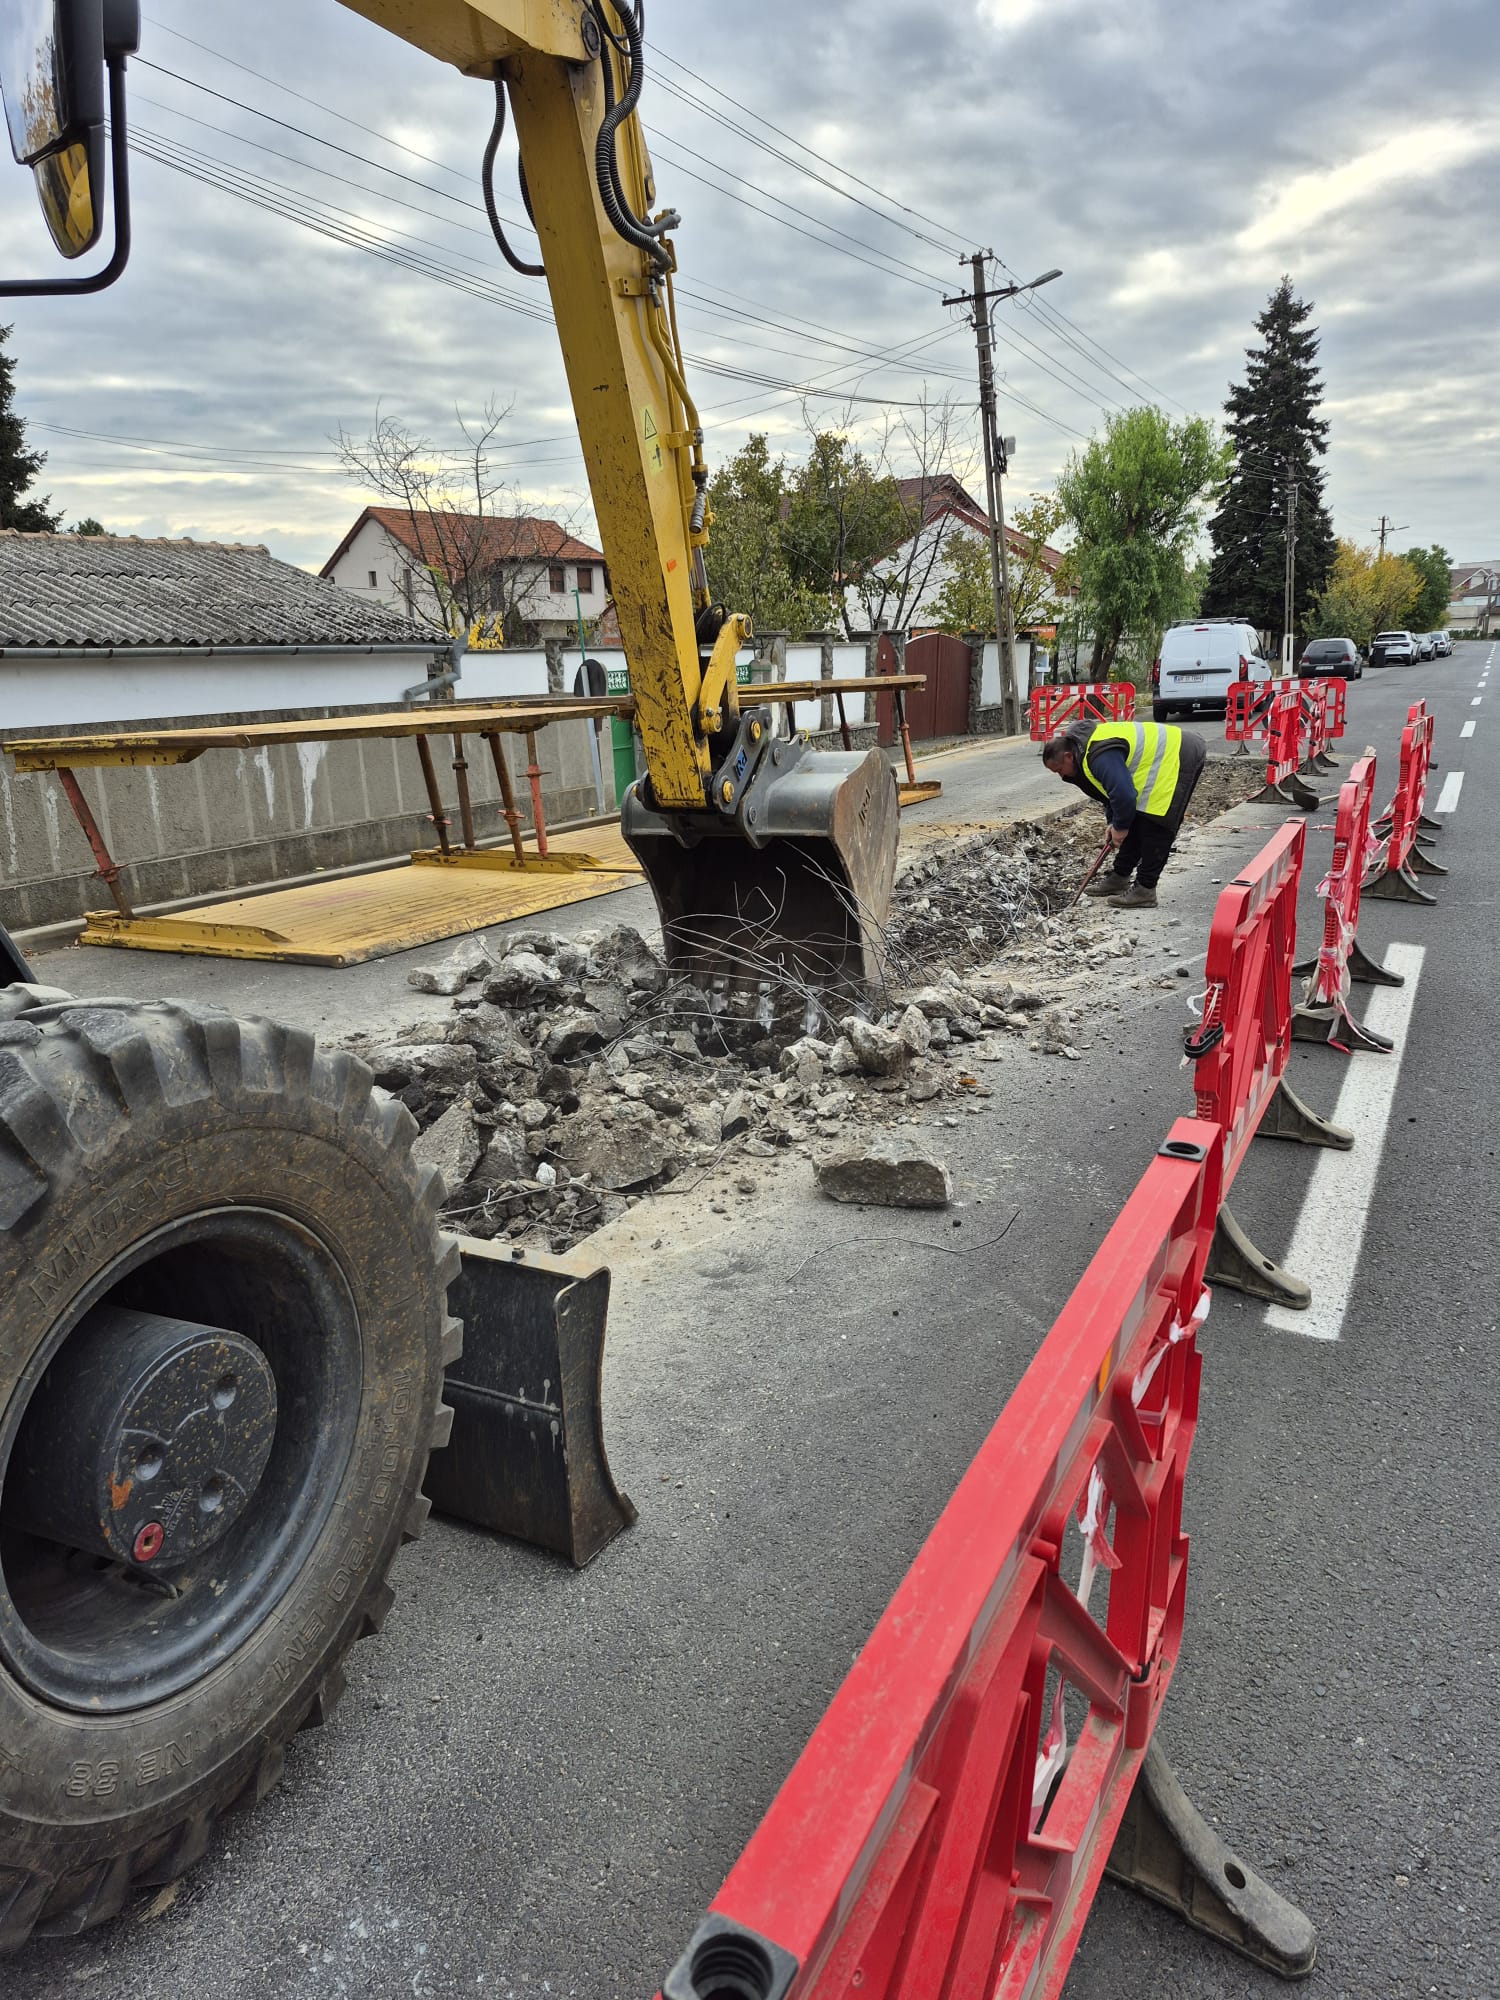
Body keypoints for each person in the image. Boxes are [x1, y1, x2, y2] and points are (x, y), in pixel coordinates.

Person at [1040, 716, 1206, 908]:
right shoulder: (1083, 755)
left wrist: (1120, 827)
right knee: (1132, 819)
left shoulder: (1098, 755)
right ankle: (1120, 877)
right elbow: (1110, 794)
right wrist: (1114, 823)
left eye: (1059, 769)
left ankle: (1145, 890)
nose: (1061, 775)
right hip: (1164, 758)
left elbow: (1124, 795)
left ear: (1068, 756)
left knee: (1157, 822)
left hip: (1179, 753)